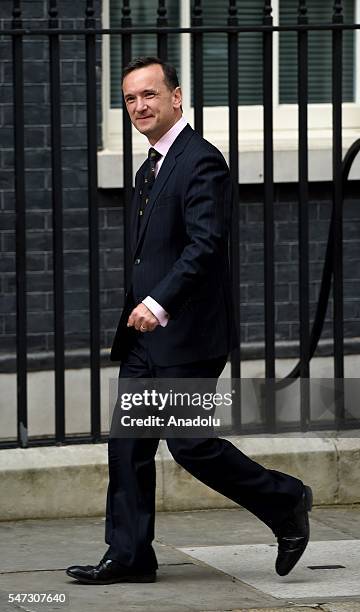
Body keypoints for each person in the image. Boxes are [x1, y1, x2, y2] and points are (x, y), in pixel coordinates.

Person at [66, 57, 312, 585]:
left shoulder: (201, 161)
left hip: (186, 333)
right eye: (130, 99)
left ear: (176, 98)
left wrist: (158, 303)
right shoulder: (151, 165)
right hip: (143, 339)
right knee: (128, 445)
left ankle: (287, 499)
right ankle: (130, 555)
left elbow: (205, 245)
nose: (139, 107)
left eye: (149, 95)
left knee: (191, 445)